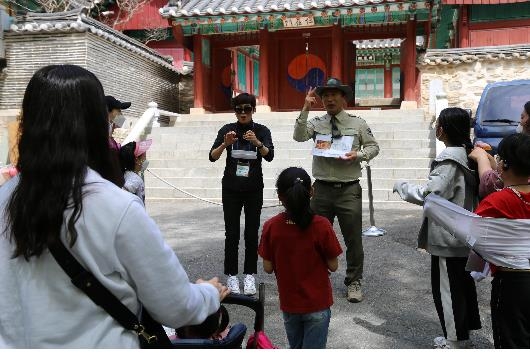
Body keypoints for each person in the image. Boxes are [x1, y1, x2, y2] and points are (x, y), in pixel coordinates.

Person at [0, 64, 229, 348]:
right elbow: (175, 306)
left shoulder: (5, 199)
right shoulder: (117, 208)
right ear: (97, 125)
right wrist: (207, 293)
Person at [393, 107, 481, 349]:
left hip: (448, 236)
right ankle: (462, 335)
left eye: (437, 124)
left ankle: (454, 340)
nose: (435, 128)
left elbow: (431, 193)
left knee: (447, 290)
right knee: (462, 287)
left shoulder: (449, 159)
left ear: (442, 129)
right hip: (465, 232)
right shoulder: (469, 154)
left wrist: (401, 186)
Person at [293, 78, 379, 303]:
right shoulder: (316, 122)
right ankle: (315, 279)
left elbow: (373, 146)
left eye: (334, 95)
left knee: (353, 240)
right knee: (314, 237)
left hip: (348, 189)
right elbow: (299, 136)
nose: (329, 99)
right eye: (325, 96)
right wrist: (305, 108)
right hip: (321, 189)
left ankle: (354, 281)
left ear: (343, 98)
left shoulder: (357, 123)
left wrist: (357, 155)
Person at [258, 167, 342, 349]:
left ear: (280, 196)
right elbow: (333, 265)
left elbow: (267, 267)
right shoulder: (321, 225)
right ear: (311, 192)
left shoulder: (271, 226)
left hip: (290, 304)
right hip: (317, 302)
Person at [209, 93, 274, 296]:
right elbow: (212, 157)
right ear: (234, 111)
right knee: (232, 233)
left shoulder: (261, 130)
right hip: (231, 188)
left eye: (247, 109)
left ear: (253, 110)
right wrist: (225, 144)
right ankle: (231, 275)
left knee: (251, 232)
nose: (243, 113)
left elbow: (270, 156)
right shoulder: (227, 130)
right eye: (239, 109)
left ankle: (249, 275)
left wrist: (257, 143)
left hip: (254, 188)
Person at [473, 133, 530, 348]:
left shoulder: (497, 201)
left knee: (512, 340)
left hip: (513, 282)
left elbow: (474, 235)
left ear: (504, 164)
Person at [469, 100, 530, 198]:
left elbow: (489, 184)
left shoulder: (496, 204)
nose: (520, 122)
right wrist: (494, 164)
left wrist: (482, 158)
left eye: (522, 117)